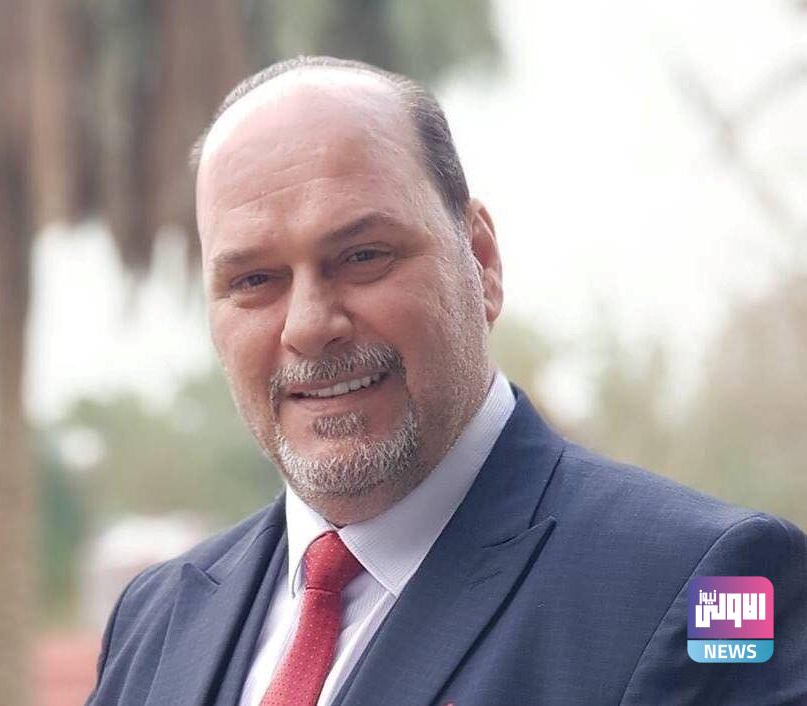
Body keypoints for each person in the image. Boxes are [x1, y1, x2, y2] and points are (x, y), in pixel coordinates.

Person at [86, 56, 807, 706]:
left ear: (482, 261)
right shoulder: (154, 622)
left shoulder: (711, 586)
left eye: (362, 255)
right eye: (253, 280)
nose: (308, 325)